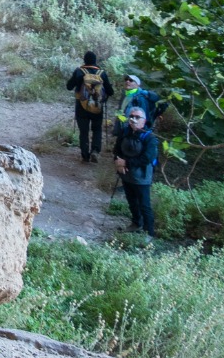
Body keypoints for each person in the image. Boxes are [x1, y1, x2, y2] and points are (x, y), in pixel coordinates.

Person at [113, 106, 161, 236]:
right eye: (131, 116)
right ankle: (136, 223)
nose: (133, 119)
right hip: (126, 174)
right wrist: (118, 162)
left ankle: (149, 232)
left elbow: (147, 158)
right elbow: (117, 149)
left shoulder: (150, 138)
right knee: (131, 200)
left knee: (144, 205)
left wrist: (126, 163)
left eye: (137, 117)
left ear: (144, 121)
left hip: (142, 176)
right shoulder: (124, 132)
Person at [66, 52, 109, 163]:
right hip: (97, 107)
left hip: (81, 107)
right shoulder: (102, 73)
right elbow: (110, 91)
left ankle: (85, 156)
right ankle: (95, 150)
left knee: (84, 131)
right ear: (95, 60)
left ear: (84, 60)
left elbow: (69, 87)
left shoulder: (79, 71)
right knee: (97, 129)